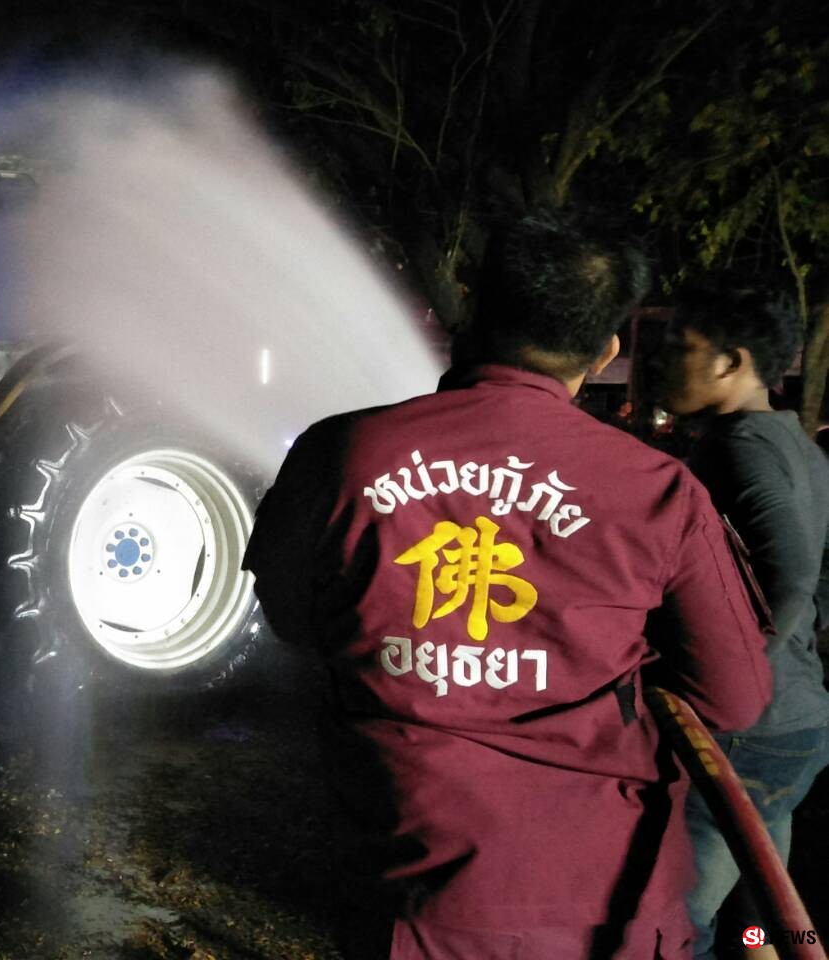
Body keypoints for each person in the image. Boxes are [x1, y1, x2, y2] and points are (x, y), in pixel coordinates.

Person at [245, 213, 773, 959]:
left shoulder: (342, 454)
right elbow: (735, 696)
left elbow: (294, 617)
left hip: (415, 901)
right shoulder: (658, 490)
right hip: (605, 906)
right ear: (606, 349)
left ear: (470, 309)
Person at [658, 283, 829, 958]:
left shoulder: (741, 446)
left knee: (681, 913)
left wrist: (738, 674)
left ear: (731, 362)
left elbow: (790, 568)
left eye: (682, 348)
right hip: (799, 724)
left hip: (748, 734)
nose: (662, 360)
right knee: (762, 904)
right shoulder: (800, 447)